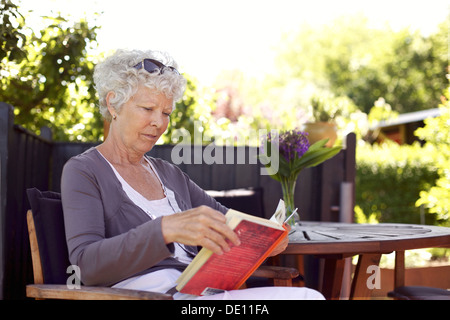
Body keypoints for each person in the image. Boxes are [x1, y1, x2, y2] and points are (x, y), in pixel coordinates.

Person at [61, 49, 324, 300]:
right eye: (147, 109)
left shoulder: (168, 174)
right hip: (145, 295)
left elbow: (229, 224)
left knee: (309, 296)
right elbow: (86, 265)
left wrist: (266, 239)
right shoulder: (84, 170)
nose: (159, 122)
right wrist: (165, 229)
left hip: (198, 293)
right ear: (113, 103)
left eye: (166, 113)